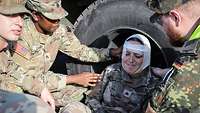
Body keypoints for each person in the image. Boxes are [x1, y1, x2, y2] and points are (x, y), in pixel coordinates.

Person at [2, 0, 121, 111]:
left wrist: (109, 53)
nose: (57, 23)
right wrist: (74, 79)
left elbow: (79, 51)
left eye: (59, 18)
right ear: (35, 16)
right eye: (52, 19)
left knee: (83, 93)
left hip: (41, 84)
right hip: (20, 85)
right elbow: (24, 77)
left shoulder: (58, 31)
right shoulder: (19, 35)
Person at [86, 34, 168, 113]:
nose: (131, 60)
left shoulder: (154, 84)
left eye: (137, 55)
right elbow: (92, 98)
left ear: (146, 57)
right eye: (127, 54)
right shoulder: (111, 70)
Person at [0, 0, 55, 112]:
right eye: (11, 15)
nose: (20, 23)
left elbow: (14, 71)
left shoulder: (4, 51)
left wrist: (41, 89)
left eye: (21, 16)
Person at [146, 0, 200, 113]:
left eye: (161, 22)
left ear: (175, 17)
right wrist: (168, 73)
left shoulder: (192, 62)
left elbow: (156, 109)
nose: (163, 29)